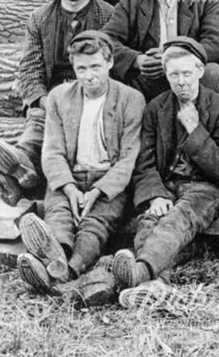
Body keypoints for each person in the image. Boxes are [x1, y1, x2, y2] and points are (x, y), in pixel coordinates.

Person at [15, 31, 144, 306]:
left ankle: (65, 271)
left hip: (108, 181)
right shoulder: (59, 97)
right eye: (81, 68)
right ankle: (56, 253)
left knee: (95, 224)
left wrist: (99, 190)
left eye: (95, 66)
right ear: (74, 69)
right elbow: (52, 150)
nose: (89, 76)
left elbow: (129, 157)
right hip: (70, 177)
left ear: (109, 64)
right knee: (59, 213)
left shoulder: (131, 99)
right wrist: (69, 187)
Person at [0, 0, 113, 206]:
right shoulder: (40, 18)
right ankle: (21, 162)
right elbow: (29, 69)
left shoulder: (108, 15)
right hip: (51, 98)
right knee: (37, 126)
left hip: (92, 91)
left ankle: (22, 176)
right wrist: (44, 100)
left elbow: (113, 64)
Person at [113, 38, 219, 306]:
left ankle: (141, 272)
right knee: (150, 220)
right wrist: (156, 194)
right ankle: (156, 284)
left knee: (177, 218)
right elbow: (144, 162)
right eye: (174, 74)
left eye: (187, 74)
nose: (181, 82)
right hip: (167, 184)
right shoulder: (156, 108)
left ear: (201, 71)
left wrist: (196, 130)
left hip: (204, 188)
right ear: (166, 75)